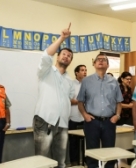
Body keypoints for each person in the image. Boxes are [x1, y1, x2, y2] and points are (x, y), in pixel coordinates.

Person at [33, 23, 75, 168]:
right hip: (45, 121)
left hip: (63, 123)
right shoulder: (46, 71)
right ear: (58, 56)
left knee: (60, 162)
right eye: (64, 54)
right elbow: (46, 55)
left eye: (69, 56)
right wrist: (62, 38)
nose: (66, 57)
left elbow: (68, 99)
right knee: (42, 162)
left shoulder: (70, 80)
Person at [77, 53, 123, 168]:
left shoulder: (114, 81)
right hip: (92, 122)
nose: (101, 61)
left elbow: (119, 102)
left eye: (104, 60)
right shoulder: (86, 81)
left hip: (109, 122)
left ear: (108, 65)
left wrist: (117, 115)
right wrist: (85, 115)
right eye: (98, 59)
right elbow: (80, 101)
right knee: (92, 153)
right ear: (94, 64)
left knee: (109, 153)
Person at [68, 64, 87, 166]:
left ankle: (86, 161)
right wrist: (81, 102)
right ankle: (74, 163)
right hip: (73, 118)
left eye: (86, 70)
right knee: (73, 143)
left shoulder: (88, 84)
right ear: (76, 73)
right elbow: (68, 100)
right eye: (82, 70)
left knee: (86, 143)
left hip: (85, 118)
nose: (85, 72)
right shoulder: (71, 84)